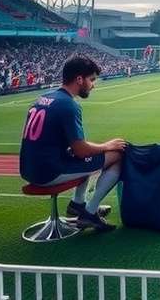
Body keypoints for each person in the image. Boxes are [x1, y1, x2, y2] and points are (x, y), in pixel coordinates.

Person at [19, 56, 126, 232]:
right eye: (91, 80)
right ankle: (89, 213)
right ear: (79, 79)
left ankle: (77, 205)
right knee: (118, 154)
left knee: (86, 154)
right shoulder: (69, 105)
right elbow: (82, 151)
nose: (93, 85)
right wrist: (109, 145)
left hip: (28, 169)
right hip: (48, 173)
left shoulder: (42, 98)